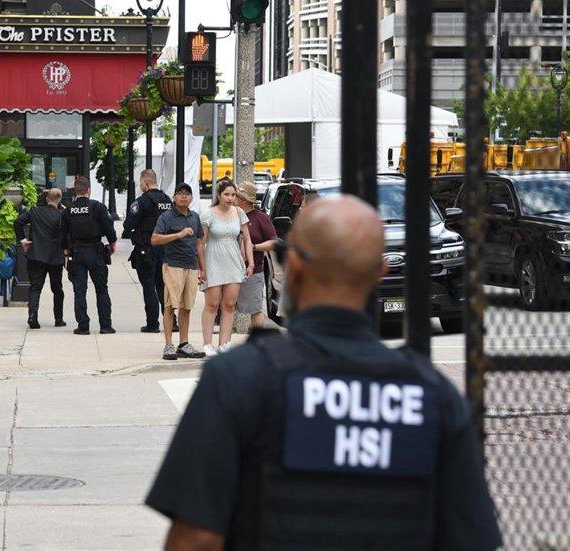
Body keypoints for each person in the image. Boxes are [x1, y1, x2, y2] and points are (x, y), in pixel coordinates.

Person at [147, 195, 502, 551]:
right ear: (379, 273)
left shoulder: (239, 378)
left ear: (295, 266)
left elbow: (194, 540)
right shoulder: (432, 396)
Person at [151, 183, 205, 360]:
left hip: (191, 266)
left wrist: (202, 268)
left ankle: (184, 343)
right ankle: (168, 345)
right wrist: (178, 234)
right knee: (169, 306)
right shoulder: (166, 217)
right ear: (174, 197)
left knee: (186, 306)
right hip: (173, 265)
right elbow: (155, 239)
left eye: (187, 194)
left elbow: (199, 243)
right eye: (180, 194)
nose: (184, 197)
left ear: (192, 198)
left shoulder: (195, 217)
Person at [200, 180, 253, 357]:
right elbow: (201, 242)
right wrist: (201, 268)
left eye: (233, 195)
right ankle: (208, 344)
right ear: (219, 195)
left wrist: (250, 263)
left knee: (229, 305)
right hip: (213, 260)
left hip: (233, 262)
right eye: (226, 194)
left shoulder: (239, 213)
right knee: (212, 304)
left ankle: (225, 343)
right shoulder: (209, 214)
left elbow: (247, 239)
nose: (230, 198)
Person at [59, 176, 117, 336]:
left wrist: (65, 250)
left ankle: (83, 326)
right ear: (89, 190)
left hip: (77, 253)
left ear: (75, 191)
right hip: (96, 252)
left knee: (79, 291)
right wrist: (112, 243)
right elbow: (109, 228)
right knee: (102, 290)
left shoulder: (68, 210)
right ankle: (105, 326)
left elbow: (62, 235)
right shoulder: (97, 207)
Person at [122, 169, 173, 334]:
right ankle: (172, 322)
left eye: (140, 182)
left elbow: (128, 224)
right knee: (164, 286)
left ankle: (152, 324)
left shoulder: (141, 202)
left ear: (145, 181)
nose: (140, 185)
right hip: (165, 249)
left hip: (146, 249)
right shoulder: (167, 200)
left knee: (149, 286)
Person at [14, 188, 67, 329]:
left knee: (35, 288)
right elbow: (67, 234)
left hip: (36, 255)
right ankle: (58, 318)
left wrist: (23, 240)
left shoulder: (35, 211)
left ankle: (32, 316)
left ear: (47, 198)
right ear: (59, 200)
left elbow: (18, 222)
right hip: (55, 257)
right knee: (57, 289)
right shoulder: (62, 215)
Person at [234, 181, 277, 330]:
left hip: (252, 271)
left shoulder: (260, 217)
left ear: (244, 199)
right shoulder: (230, 215)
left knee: (255, 310)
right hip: (228, 270)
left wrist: (253, 247)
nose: (233, 198)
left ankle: (258, 343)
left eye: (236, 195)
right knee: (225, 308)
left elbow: (273, 242)